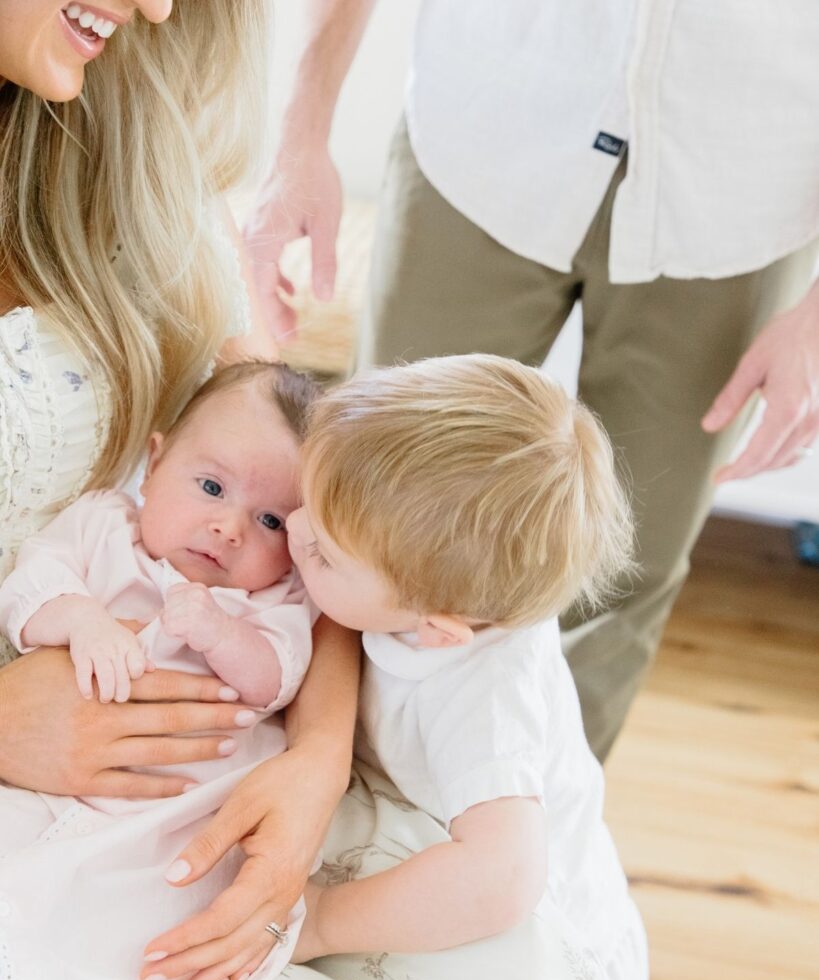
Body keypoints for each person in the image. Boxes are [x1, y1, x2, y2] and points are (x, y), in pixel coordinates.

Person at [247, 0, 819, 761]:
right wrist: (299, 136)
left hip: (739, 192)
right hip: (484, 133)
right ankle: (323, 779)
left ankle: (534, 833)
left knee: (626, 567)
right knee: (354, 499)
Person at [0, 2, 360, 980]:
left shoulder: (140, 169)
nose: (158, 6)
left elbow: (310, 515)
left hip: (163, 785)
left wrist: (316, 766)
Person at [143, 354, 649, 980]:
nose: (293, 532)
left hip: (522, 911)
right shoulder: (430, 575)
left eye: (321, 552)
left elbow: (502, 878)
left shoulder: (486, 703)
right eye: (303, 508)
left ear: (436, 630)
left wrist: (323, 921)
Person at [0, 361, 324, 980]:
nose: (230, 528)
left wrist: (221, 634)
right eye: (210, 486)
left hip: (169, 816)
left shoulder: (274, 598)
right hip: (47, 774)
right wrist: (82, 620)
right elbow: (30, 587)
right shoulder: (103, 525)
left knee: (139, 926)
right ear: (154, 464)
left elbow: (276, 677)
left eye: (269, 521)